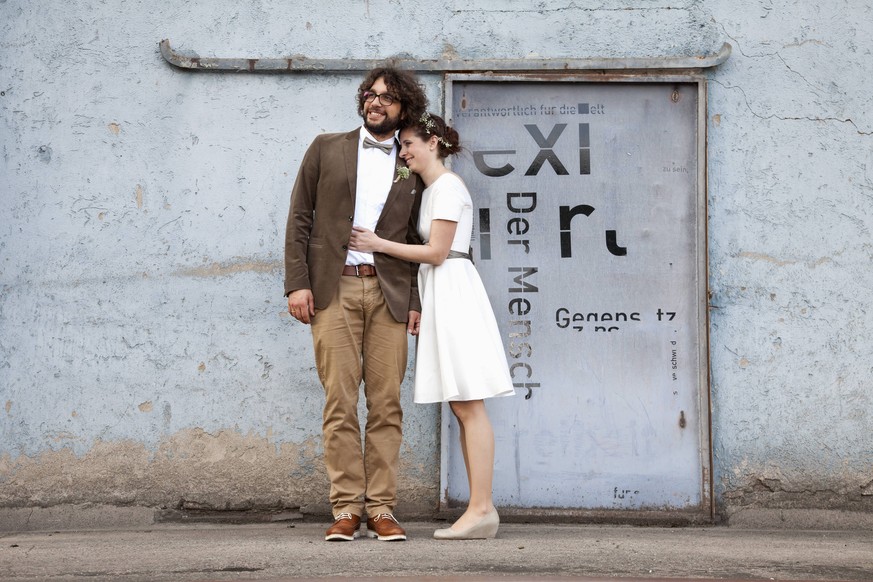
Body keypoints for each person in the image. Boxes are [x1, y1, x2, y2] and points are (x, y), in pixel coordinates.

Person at [349, 112, 515, 540]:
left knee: (468, 404)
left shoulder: (446, 189)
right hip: (445, 293)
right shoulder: (433, 190)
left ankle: (480, 508)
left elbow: (438, 252)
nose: (403, 152)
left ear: (434, 142)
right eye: (401, 146)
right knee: (462, 405)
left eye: (409, 144)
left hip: (454, 291)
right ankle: (481, 508)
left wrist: (376, 243)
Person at [284, 66, 428, 542]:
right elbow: (299, 217)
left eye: (387, 98)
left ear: (404, 108)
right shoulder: (326, 148)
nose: (375, 102)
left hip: (389, 292)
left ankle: (382, 508)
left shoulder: (411, 162)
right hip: (334, 290)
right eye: (370, 94)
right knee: (339, 402)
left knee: (386, 404)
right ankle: (346, 508)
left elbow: (415, 236)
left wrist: (415, 299)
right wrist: (297, 284)